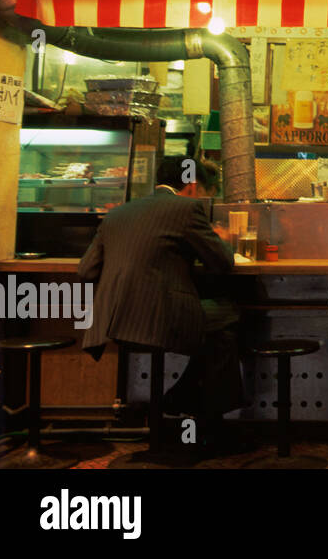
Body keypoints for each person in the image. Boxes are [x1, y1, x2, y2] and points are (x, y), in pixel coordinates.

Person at [79, 156, 246, 452]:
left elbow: (86, 270)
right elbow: (223, 262)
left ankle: (186, 403)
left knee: (218, 332)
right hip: (159, 317)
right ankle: (198, 413)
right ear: (192, 185)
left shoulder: (118, 213)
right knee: (228, 315)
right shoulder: (186, 209)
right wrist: (220, 237)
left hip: (113, 320)